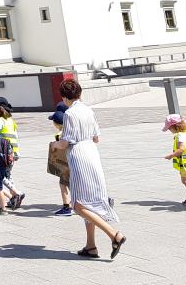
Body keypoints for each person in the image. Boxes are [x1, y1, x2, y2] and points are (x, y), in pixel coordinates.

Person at [51, 79, 126, 259]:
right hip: (92, 152)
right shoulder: (88, 110)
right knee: (90, 201)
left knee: (78, 205)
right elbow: (96, 138)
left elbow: (65, 142)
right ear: (80, 93)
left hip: (78, 155)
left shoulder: (69, 114)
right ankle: (91, 246)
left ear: (63, 96)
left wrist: (53, 144)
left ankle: (114, 234)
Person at [0, 96, 25, 209]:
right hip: (13, 152)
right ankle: (13, 199)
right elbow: (15, 137)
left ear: (0, 108)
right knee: (8, 175)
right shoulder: (11, 120)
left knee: (1, 176)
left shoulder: (0, 121)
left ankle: (17, 193)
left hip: (4, 153)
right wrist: (16, 153)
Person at [48, 106, 73, 216]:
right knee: (75, 185)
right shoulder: (71, 131)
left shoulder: (60, 135)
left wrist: (53, 145)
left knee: (63, 185)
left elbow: (60, 147)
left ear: (56, 124)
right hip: (73, 163)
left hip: (65, 165)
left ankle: (66, 207)